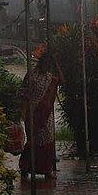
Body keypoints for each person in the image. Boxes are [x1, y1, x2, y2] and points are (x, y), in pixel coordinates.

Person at [19, 48, 62, 178]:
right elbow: (23, 93)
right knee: (33, 140)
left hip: (46, 114)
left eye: (49, 64)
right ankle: (26, 168)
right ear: (41, 62)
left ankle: (46, 169)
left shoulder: (50, 77)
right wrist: (23, 110)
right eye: (46, 63)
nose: (47, 66)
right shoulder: (32, 75)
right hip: (32, 112)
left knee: (47, 140)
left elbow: (61, 79)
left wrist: (56, 64)